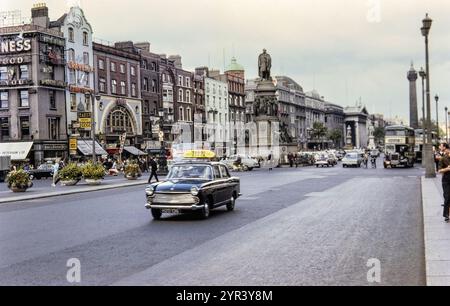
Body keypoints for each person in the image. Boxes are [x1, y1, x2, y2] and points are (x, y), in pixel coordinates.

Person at [438, 143, 450, 222]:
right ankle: (446, 215)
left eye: (440, 146)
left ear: (445, 147)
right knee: (447, 197)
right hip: (446, 181)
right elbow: (439, 170)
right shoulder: (443, 158)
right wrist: (447, 169)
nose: (439, 147)